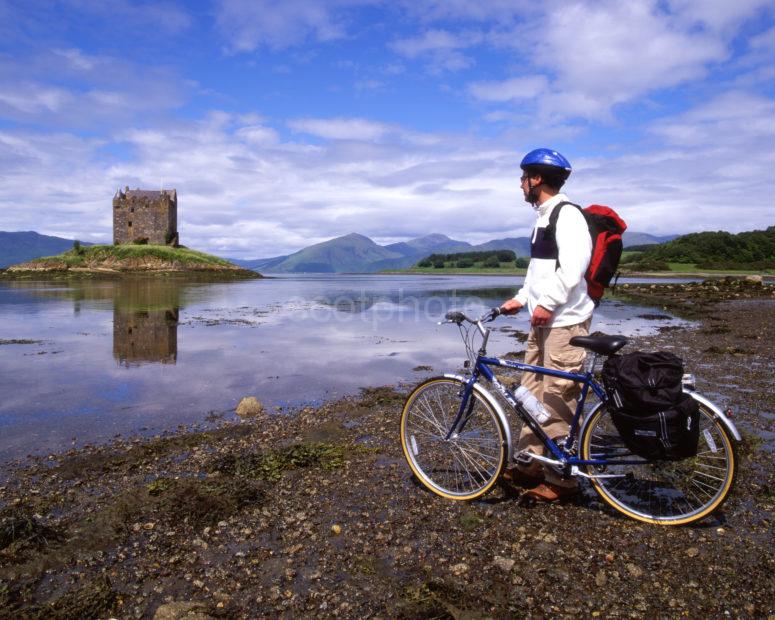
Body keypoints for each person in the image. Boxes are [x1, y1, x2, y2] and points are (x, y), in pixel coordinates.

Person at [499, 148, 594, 502]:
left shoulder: (567, 215)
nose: (520, 185)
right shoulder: (543, 216)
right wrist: (522, 299)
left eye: (523, 178)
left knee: (558, 398)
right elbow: (539, 271)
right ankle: (530, 464)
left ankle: (561, 480)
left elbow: (574, 267)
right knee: (531, 393)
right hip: (542, 320)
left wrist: (549, 304)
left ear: (536, 179)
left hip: (564, 323)